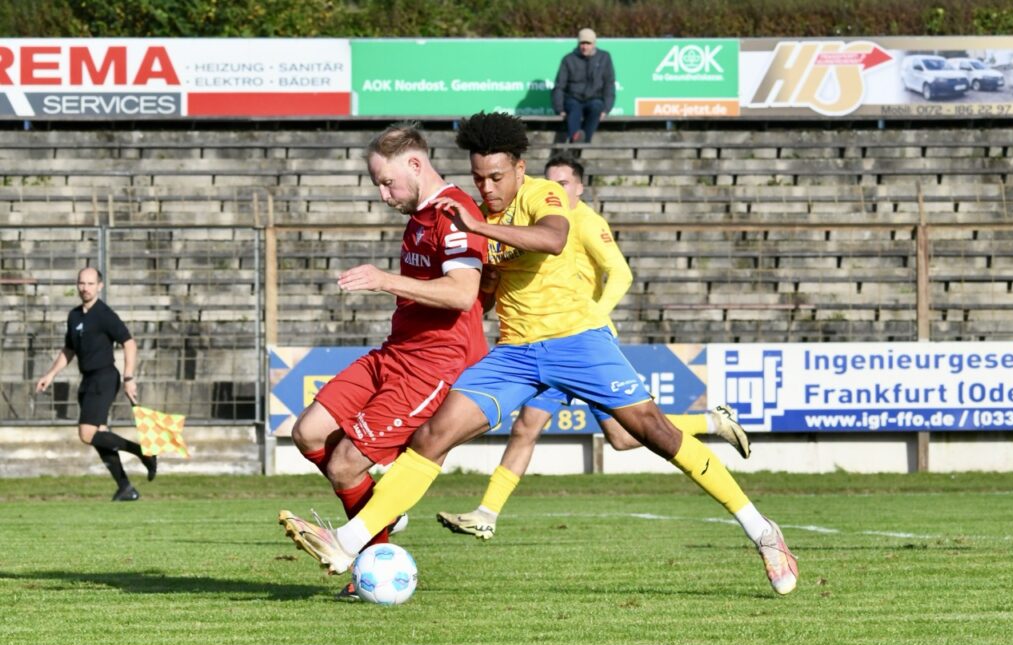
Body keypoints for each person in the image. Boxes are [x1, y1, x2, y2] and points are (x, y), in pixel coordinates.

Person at [280, 112, 798, 596]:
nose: (487, 188)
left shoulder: (542, 194)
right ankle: (348, 542)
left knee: (652, 434)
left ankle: (762, 531)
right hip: (516, 353)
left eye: (496, 177)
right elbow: (480, 290)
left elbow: (551, 239)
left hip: (578, 340)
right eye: (479, 178)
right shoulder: (474, 211)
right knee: (433, 436)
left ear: (519, 168)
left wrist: (478, 228)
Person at [436, 154, 751, 540]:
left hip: (581, 341)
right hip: (541, 341)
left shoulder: (585, 222)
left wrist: (595, 318)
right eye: (550, 182)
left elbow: (620, 273)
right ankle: (486, 513)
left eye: (564, 184)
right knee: (539, 428)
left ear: (580, 187)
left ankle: (711, 423)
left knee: (622, 436)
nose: (555, 190)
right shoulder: (528, 219)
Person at [277, 122, 489, 600]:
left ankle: (369, 562)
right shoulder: (418, 217)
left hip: (432, 365)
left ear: (415, 164)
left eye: (387, 182)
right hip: (395, 352)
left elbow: (462, 293)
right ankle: (384, 508)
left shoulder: (455, 213)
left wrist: (383, 280)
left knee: (345, 466)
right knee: (308, 432)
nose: (383, 194)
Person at [35, 267, 155, 501]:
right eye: (82, 283)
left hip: (104, 378)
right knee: (100, 435)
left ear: (100, 286)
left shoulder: (104, 314)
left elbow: (129, 343)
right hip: (88, 380)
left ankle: (144, 453)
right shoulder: (74, 316)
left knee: (86, 433)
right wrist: (50, 375)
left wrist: (129, 377)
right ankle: (125, 488)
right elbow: (69, 349)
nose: (85, 288)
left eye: (90, 284)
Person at [552, 28, 616, 144]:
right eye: (582, 43)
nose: (585, 47)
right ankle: (575, 138)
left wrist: (606, 109)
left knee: (596, 108)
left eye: (588, 43)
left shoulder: (604, 57)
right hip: (573, 98)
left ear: (594, 44)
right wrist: (559, 109)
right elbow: (559, 86)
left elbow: (609, 84)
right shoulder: (568, 59)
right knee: (574, 109)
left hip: (594, 98)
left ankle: (583, 141)